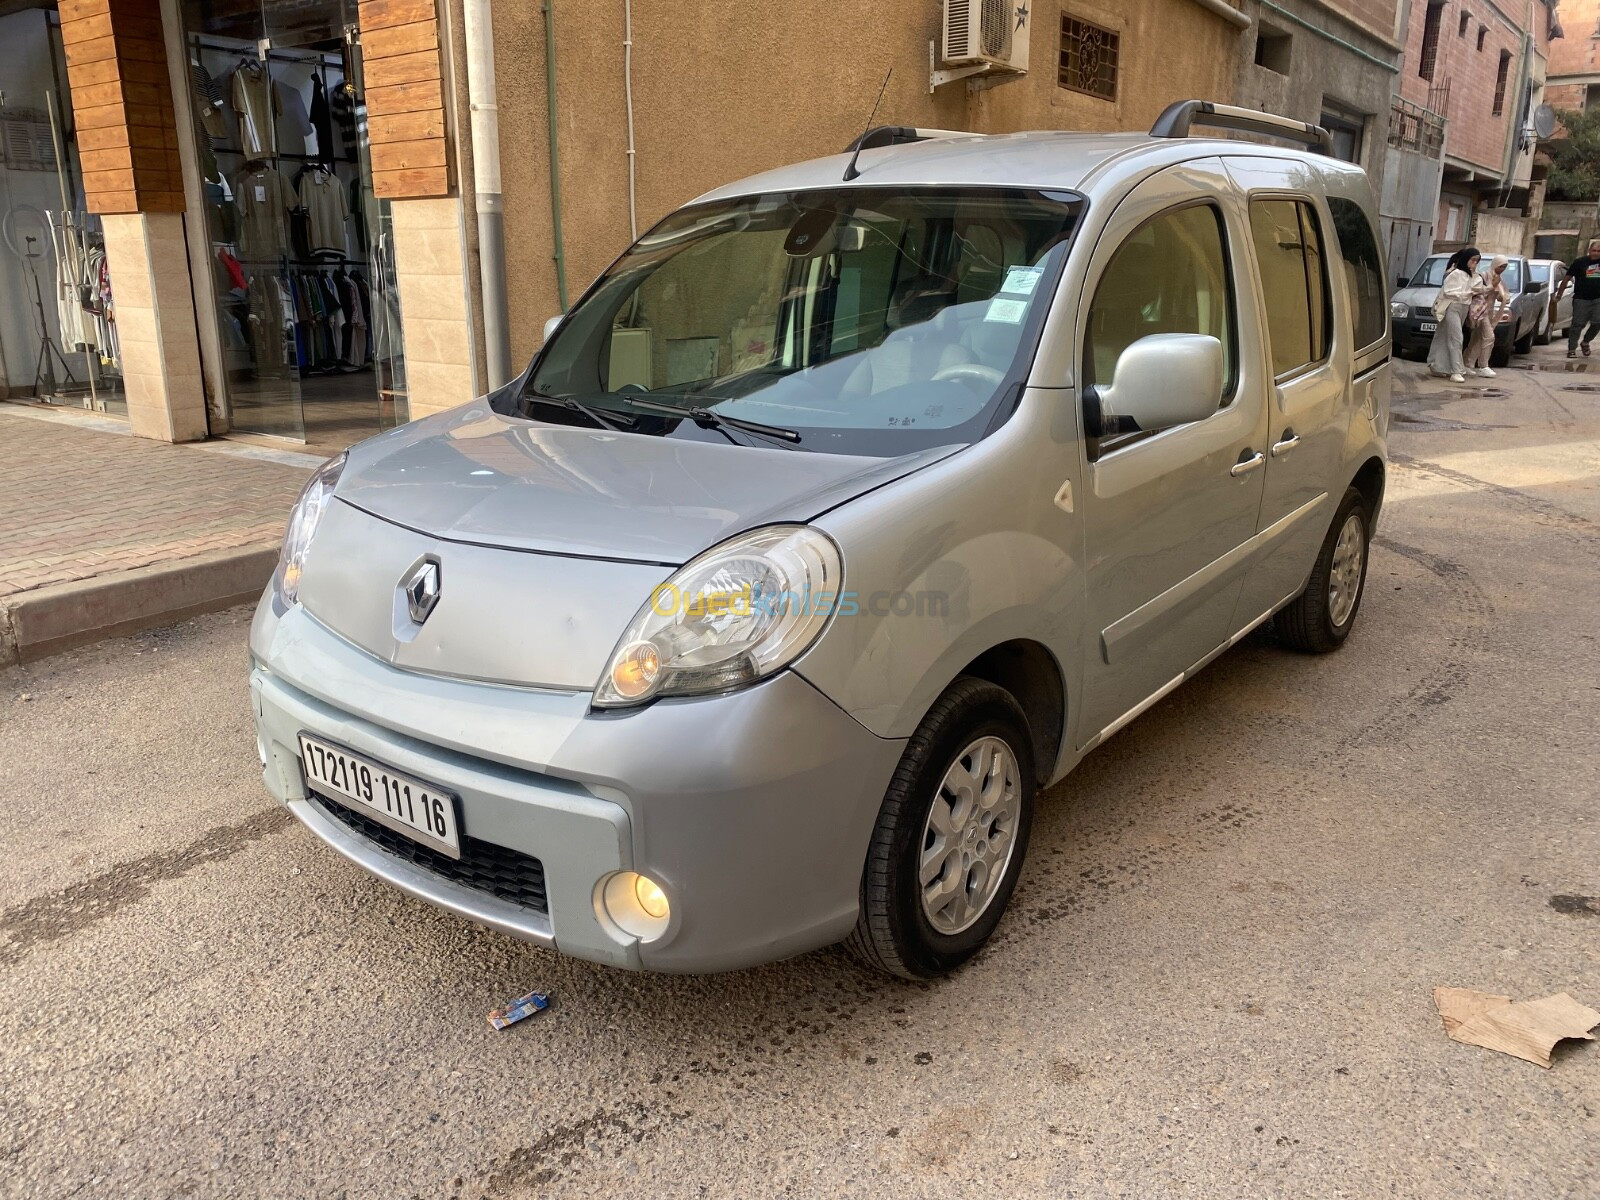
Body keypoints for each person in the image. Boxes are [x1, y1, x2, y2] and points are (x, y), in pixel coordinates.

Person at [1428, 247, 1479, 382]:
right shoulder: (1455, 273)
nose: (1474, 263)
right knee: (1456, 337)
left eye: (1477, 261)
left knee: (1447, 335)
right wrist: (1468, 293)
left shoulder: (1469, 275)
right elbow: (1449, 291)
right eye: (1473, 260)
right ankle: (1456, 370)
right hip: (1453, 306)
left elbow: (1477, 287)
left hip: (1464, 307)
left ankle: (1439, 366)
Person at [1464, 255, 1511, 378]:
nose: (1502, 269)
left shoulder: (1499, 281)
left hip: (1489, 312)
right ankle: (1483, 365)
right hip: (1480, 311)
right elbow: (1478, 291)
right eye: (1501, 266)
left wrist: (1503, 297)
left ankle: (1467, 363)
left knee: (1478, 339)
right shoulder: (1484, 276)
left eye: (1504, 267)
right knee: (1489, 337)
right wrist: (1492, 287)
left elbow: (1504, 296)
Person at [1557, 238, 1600, 358]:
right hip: (1581, 299)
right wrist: (1559, 294)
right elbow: (1567, 278)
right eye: (1594, 250)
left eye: (1598, 251)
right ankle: (1571, 349)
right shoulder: (1580, 262)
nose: (1596, 253)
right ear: (1589, 250)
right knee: (1577, 325)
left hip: (1598, 299)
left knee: (1597, 322)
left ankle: (1586, 342)